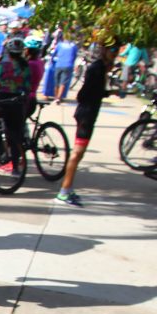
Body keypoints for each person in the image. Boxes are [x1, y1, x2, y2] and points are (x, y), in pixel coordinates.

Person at [55, 37, 118, 207]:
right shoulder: (97, 68)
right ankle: (64, 191)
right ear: (104, 50)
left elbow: (95, 92)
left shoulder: (101, 67)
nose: (115, 53)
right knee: (77, 154)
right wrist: (106, 93)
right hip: (86, 114)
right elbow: (85, 93)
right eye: (112, 49)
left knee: (79, 154)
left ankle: (67, 188)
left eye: (117, 50)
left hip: (89, 113)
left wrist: (109, 92)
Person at [0, 38, 33, 171]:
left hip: (1, 101)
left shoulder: (1, 65)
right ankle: (15, 168)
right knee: (16, 135)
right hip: (17, 103)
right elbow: (28, 88)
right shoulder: (25, 67)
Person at [51, 34, 78, 103]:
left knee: (56, 82)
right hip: (68, 65)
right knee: (62, 83)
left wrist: (52, 61)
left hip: (59, 64)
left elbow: (54, 54)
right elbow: (75, 56)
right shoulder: (74, 46)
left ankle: (55, 97)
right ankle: (59, 98)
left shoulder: (59, 45)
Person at [24, 37, 46, 117]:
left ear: (28, 50)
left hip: (26, 100)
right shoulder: (39, 62)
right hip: (32, 98)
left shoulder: (30, 64)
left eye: (25, 49)